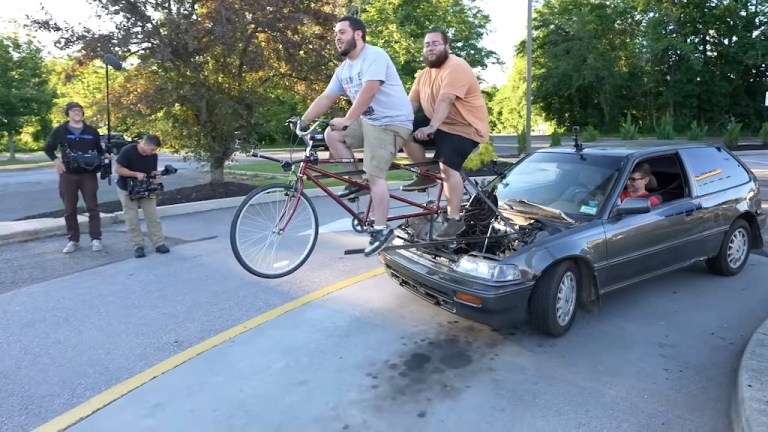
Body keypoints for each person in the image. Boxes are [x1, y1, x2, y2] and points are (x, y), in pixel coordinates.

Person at [301, 15, 414, 256]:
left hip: (392, 122)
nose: (337, 38)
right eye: (335, 34)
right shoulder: (344, 69)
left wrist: (349, 119)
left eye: (341, 32)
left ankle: (382, 230)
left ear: (358, 34)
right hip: (370, 122)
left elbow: (370, 90)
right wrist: (303, 120)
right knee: (334, 135)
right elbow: (326, 98)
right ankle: (357, 182)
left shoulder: (374, 56)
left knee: (375, 175)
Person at [401, 29, 490, 240]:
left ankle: (454, 220)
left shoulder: (456, 66)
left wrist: (431, 128)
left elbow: (446, 99)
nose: (430, 48)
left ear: (447, 47)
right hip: (441, 125)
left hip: (465, 127)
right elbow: (410, 104)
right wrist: (390, 120)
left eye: (435, 43)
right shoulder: (423, 75)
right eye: (427, 45)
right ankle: (424, 174)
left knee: (447, 165)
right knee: (401, 129)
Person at [44, 101, 105, 254]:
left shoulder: (91, 131)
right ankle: (73, 240)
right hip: (68, 175)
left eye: (79, 110)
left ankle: (96, 238)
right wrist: (56, 161)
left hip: (88, 174)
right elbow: (48, 148)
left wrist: (105, 157)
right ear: (68, 113)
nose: (77, 112)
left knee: (93, 207)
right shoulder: (60, 130)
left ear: (83, 113)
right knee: (69, 209)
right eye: (73, 110)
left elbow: (99, 151)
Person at [114, 134, 170, 258]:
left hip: (146, 188)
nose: (153, 152)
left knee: (153, 216)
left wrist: (157, 184)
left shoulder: (152, 156)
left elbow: (153, 172)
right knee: (131, 218)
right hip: (127, 189)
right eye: (152, 149)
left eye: (155, 150)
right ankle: (138, 246)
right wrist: (135, 174)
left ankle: (159, 243)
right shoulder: (128, 151)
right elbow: (117, 169)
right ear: (145, 144)